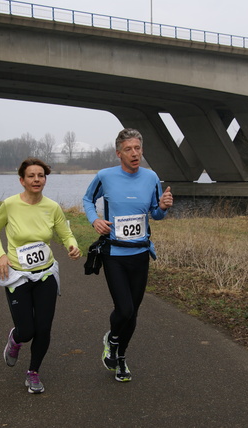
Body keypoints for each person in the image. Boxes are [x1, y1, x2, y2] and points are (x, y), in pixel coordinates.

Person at [82, 128, 173, 382]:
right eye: (129, 149)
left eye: (138, 148)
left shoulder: (151, 177)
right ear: (118, 153)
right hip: (114, 253)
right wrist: (95, 220)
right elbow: (87, 200)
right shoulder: (105, 176)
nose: (135, 154)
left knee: (133, 312)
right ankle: (111, 339)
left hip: (141, 253)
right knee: (124, 309)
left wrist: (163, 207)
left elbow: (155, 212)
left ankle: (121, 358)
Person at [0, 157, 81, 394]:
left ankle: (33, 372)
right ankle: (15, 340)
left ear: (45, 179)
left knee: (44, 328)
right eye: (31, 176)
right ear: (22, 180)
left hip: (45, 274)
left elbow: (65, 233)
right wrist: (0, 255)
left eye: (41, 175)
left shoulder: (52, 207)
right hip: (17, 274)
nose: (36, 179)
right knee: (26, 330)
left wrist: (72, 245)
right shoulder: (10, 205)